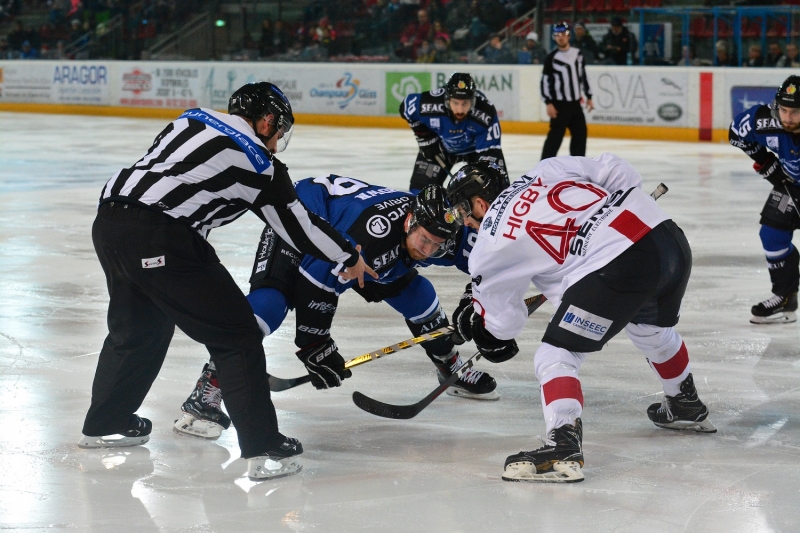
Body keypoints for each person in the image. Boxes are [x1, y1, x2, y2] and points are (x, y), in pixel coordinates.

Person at [78, 82, 377, 481]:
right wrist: (348, 255)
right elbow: (298, 229)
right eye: (280, 130)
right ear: (268, 120)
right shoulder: (259, 163)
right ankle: (264, 447)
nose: (278, 141)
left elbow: (168, 177)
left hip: (110, 221)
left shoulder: (190, 120)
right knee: (237, 335)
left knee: (137, 329)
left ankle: (105, 423)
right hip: (162, 235)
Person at [444, 157, 716, 483]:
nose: (463, 223)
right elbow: (620, 170)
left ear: (478, 202)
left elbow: (505, 325)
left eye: (461, 212)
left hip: (620, 268)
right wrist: (604, 222)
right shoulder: (543, 170)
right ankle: (684, 402)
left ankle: (563, 444)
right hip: (667, 238)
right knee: (652, 330)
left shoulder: (489, 240)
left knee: (556, 353)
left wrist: (480, 326)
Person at [173, 181, 500, 440]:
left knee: (419, 294)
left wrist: (485, 304)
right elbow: (316, 280)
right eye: (425, 241)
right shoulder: (372, 236)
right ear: (411, 221)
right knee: (268, 306)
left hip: (360, 245)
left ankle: (449, 366)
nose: (429, 250)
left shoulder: (441, 231)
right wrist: (314, 343)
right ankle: (206, 393)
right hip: (300, 224)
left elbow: (490, 264)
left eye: (437, 246)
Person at [729, 76, 800, 324]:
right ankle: (785, 296)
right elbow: (736, 133)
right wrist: (767, 163)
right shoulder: (765, 120)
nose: (788, 117)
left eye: (795, 112)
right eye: (784, 110)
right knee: (771, 235)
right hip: (791, 185)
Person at [399, 72, 507, 194]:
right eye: (455, 103)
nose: (460, 110)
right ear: (447, 99)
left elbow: (490, 154)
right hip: (441, 147)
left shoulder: (485, 112)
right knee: (420, 192)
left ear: (473, 101)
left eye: (465, 103)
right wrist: (426, 138)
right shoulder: (430, 104)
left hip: (475, 151)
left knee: (494, 189)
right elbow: (405, 108)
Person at [540, 21, 593, 161]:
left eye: (563, 34)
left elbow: (583, 76)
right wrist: (548, 102)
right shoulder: (551, 58)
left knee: (580, 135)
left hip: (575, 105)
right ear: (554, 37)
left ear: (569, 36)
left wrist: (589, 96)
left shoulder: (578, 54)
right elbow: (545, 82)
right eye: (557, 34)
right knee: (555, 139)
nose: (560, 37)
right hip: (559, 106)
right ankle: (543, 167)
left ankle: (578, 166)